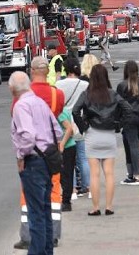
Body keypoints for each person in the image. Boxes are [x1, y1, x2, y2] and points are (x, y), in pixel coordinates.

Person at [9, 71, 63, 255]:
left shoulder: (21, 106)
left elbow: (28, 135)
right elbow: (58, 130)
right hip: (48, 159)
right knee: (45, 210)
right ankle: (47, 251)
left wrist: (20, 156)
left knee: (36, 213)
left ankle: (37, 252)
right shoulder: (39, 102)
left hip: (33, 162)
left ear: (12, 88)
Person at [72, 63, 132, 216]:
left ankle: (96, 207)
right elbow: (128, 109)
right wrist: (119, 125)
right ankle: (109, 206)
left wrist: (84, 126)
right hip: (109, 134)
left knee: (94, 174)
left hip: (92, 133)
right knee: (109, 173)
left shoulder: (87, 94)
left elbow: (75, 110)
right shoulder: (112, 94)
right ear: (106, 77)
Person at [55, 61, 90, 197]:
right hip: (79, 122)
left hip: (65, 122)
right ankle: (87, 187)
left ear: (66, 70)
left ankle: (73, 189)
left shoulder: (59, 85)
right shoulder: (85, 85)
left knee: (69, 160)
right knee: (82, 157)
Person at [57, 101, 77, 211]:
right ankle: (66, 200)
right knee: (67, 174)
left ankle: (66, 201)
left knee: (65, 175)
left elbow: (69, 128)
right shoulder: (65, 110)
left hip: (67, 147)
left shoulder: (60, 113)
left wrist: (62, 144)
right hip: (70, 146)